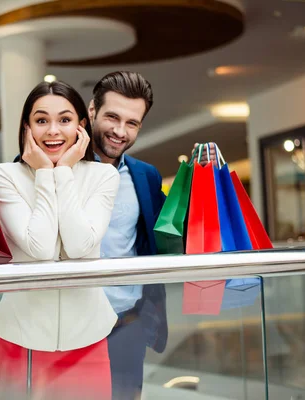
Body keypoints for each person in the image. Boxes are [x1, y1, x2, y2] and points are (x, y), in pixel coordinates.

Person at [0, 81, 120, 400]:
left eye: (64, 119)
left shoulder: (104, 176)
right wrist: (45, 173)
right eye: (41, 120)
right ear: (27, 127)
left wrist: (63, 173)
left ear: (81, 126)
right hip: (22, 338)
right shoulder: (5, 175)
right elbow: (41, 249)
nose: (53, 131)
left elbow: (80, 246)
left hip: (89, 336)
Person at [87, 71, 216, 400]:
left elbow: (172, 234)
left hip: (127, 326)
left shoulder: (145, 176)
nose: (120, 131)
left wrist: (202, 179)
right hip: (75, 327)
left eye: (132, 123)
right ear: (91, 111)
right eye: (112, 117)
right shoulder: (59, 166)